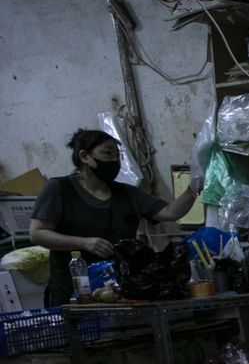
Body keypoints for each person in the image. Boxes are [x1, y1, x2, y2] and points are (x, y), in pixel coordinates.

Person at [28, 128, 203, 306]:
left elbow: (170, 213)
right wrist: (83, 243)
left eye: (117, 155)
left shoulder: (126, 193)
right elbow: (37, 233)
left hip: (118, 294)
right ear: (84, 157)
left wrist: (192, 190)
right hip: (74, 295)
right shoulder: (60, 188)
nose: (114, 160)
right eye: (107, 153)